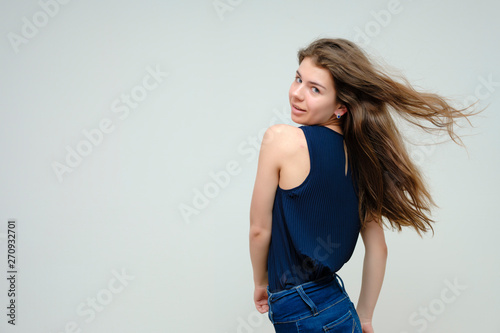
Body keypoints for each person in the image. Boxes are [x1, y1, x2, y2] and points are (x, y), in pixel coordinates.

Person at [249, 37, 484, 332]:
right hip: (339, 306)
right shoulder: (365, 160)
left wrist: (262, 281)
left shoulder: (281, 139)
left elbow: (259, 229)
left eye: (315, 89)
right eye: (298, 78)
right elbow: (378, 248)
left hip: (300, 308)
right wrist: (365, 316)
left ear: (341, 106)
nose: (297, 94)